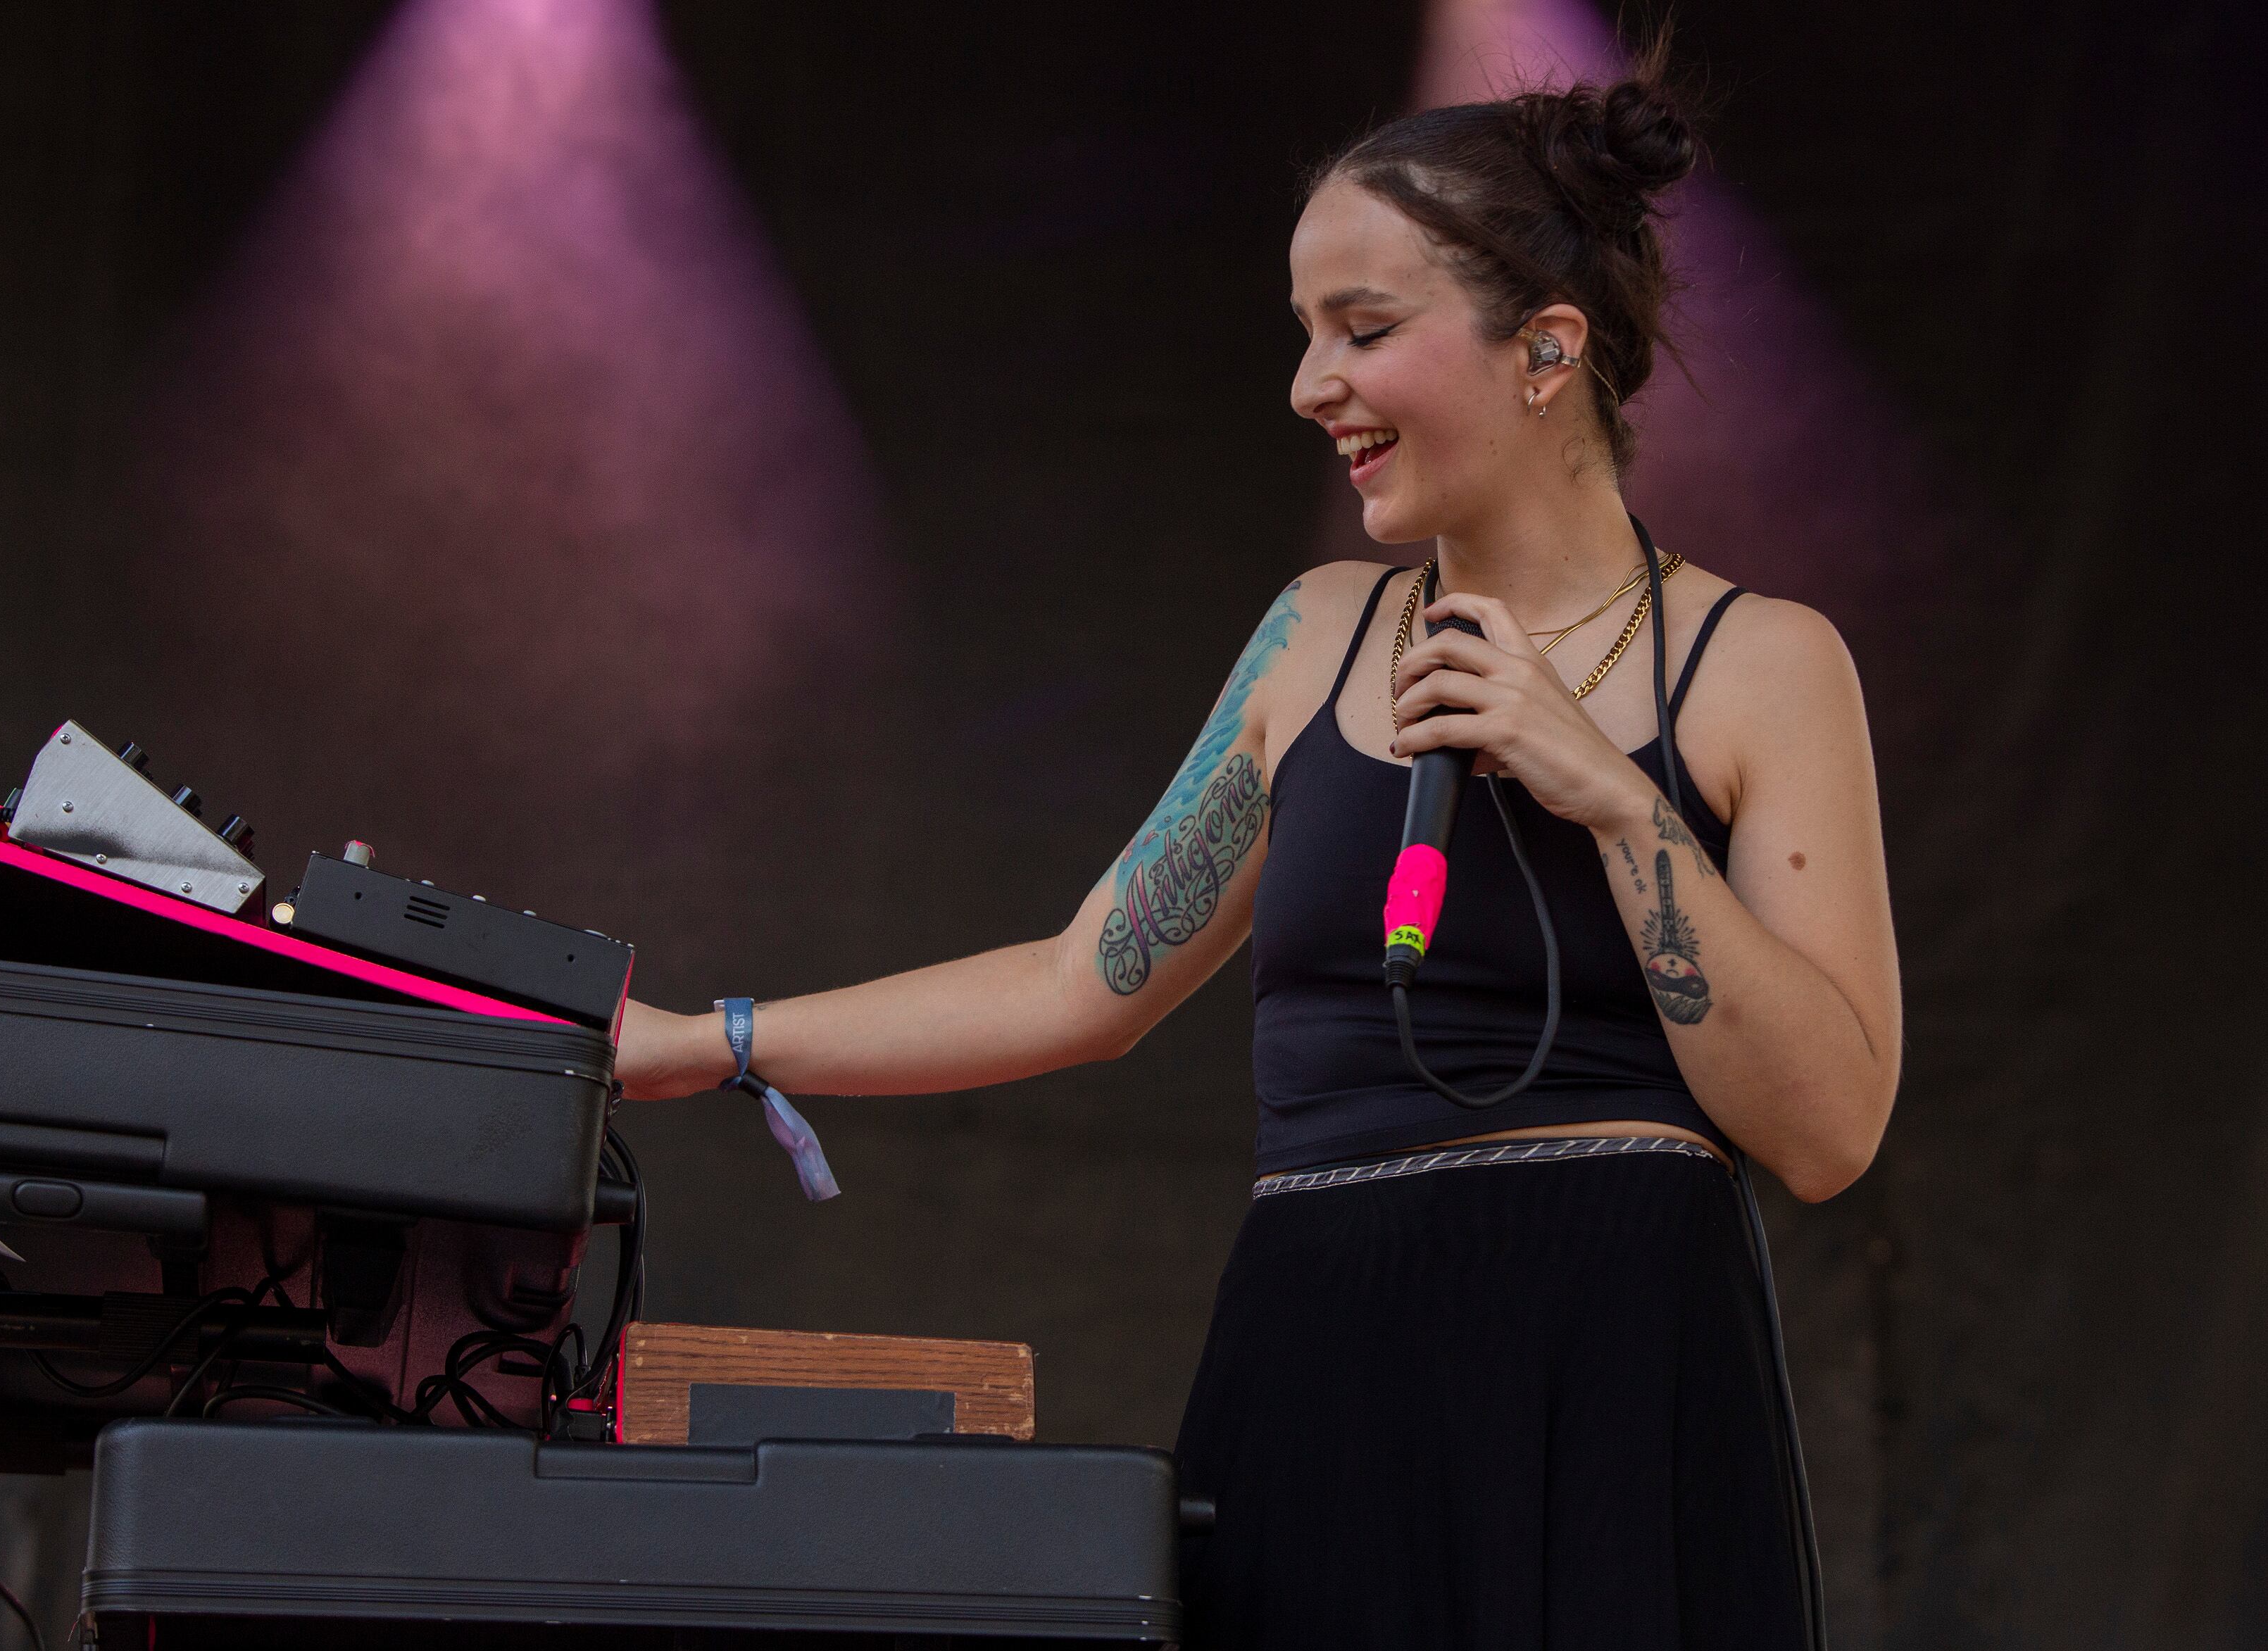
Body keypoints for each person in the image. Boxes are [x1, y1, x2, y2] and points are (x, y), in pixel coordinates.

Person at [612, 56, 1899, 1651]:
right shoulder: (1315, 637)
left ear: (1547, 348)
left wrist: (1617, 803)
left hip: (1621, 1375)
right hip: (1329, 1356)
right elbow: (1082, 979)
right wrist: (712, 1041)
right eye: (1305, 333)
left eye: (1361, 329)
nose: (1308, 385)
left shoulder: (1761, 663)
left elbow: (1828, 1131)